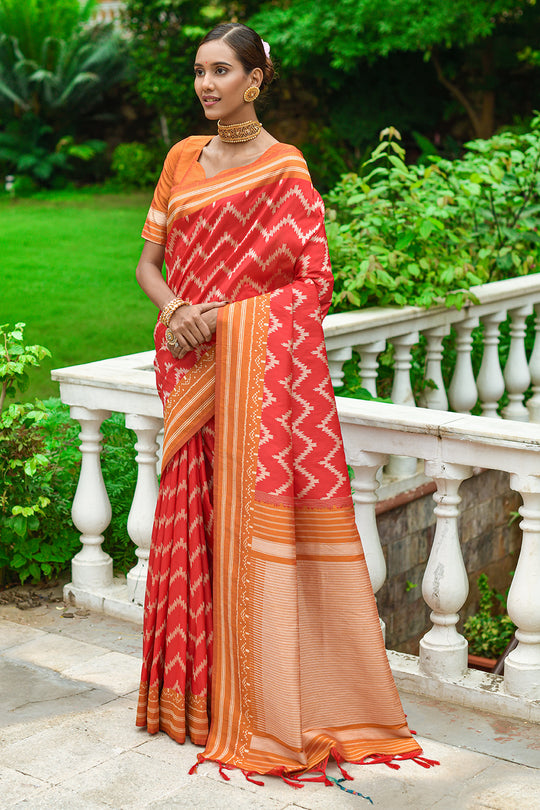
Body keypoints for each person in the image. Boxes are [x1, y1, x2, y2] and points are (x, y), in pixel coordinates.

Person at [135, 21, 433, 786]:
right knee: (189, 526)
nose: (206, 85)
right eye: (199, 72)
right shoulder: (179, 160)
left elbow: (312, 284)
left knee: (238, 533)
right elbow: (148, 263)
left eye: (222, 71)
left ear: (256, 79)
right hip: (188, 370)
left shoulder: (286, 171)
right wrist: (177, 312)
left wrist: (226, 319)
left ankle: (258, 699)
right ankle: (190, 704)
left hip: (249, 380)